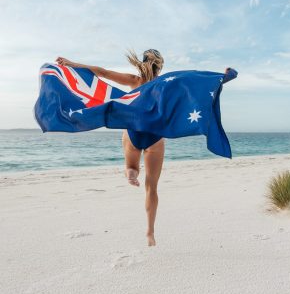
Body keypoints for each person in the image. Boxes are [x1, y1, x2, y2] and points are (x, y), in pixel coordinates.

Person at [56, 50, 230, 247]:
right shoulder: (166, 83)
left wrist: (71, 64)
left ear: (142, 63)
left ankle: (131, 172)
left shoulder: (134, 80)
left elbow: (101, 72)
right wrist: (222, 78)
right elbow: (194, 82)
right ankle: (149, 232)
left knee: (132, 167)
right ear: (160, 66)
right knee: (152, 188)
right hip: (155, 137)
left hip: (132, 134)